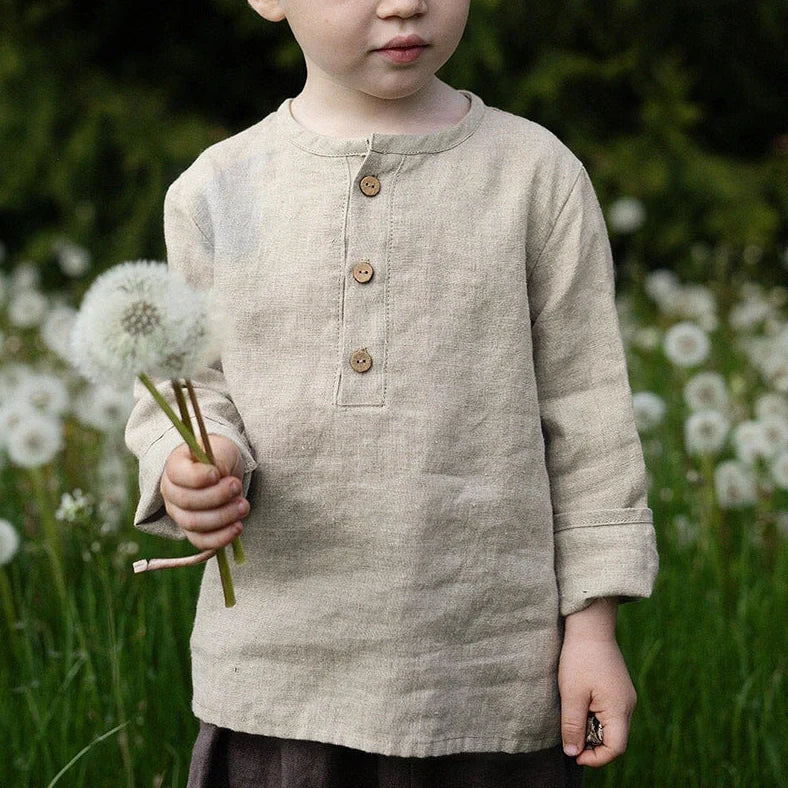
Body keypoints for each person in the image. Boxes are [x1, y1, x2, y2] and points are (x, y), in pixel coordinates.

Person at [125, 0, 659, 785]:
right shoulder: (216, 190)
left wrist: (591, 630)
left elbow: (589, 417)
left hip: (489, 681)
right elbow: (185, 386)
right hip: (280, 682)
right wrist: (195, 462)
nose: (404, 2)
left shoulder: (536, 175)